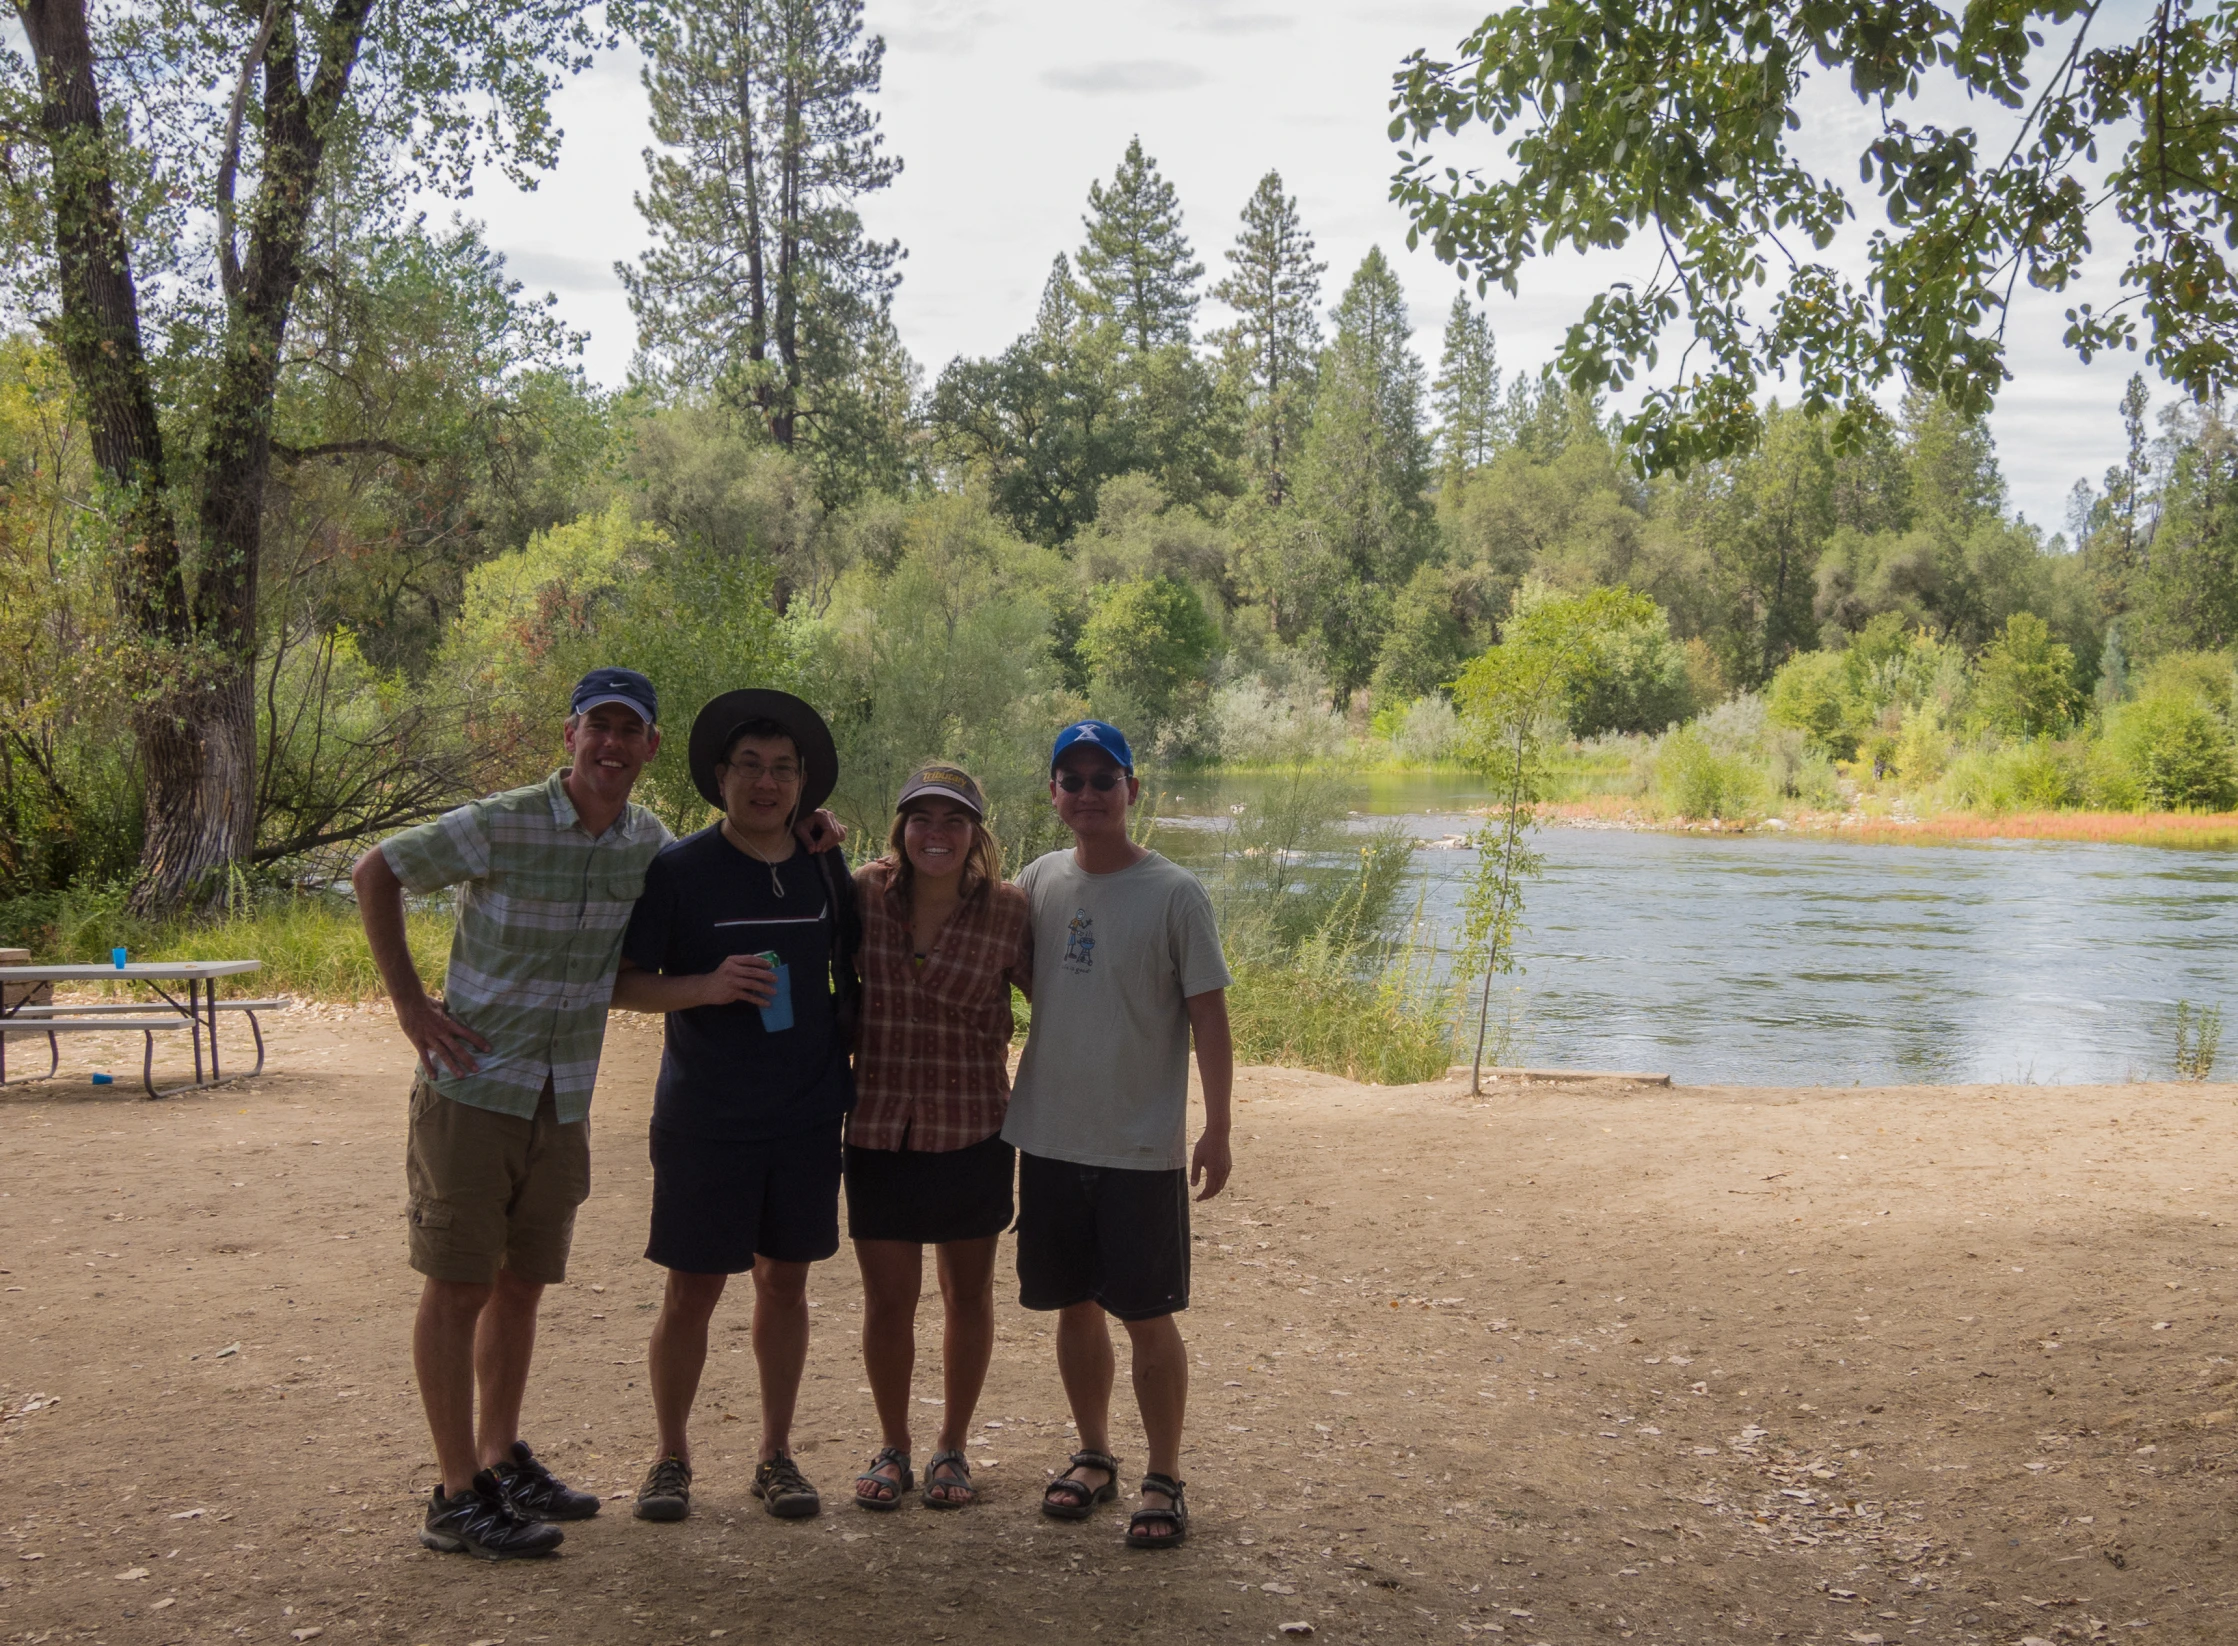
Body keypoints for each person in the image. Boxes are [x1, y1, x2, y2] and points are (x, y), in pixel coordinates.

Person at [612, 690, 861, 1525]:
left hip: (804, 1111)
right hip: (705, 1114)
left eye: (782, 770)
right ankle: (670, 1456)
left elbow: (856, 961)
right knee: (693, 1289)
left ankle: (774, 1454)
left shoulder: (824, 864)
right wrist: (707, 986)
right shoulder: (678, 870)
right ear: (721, 776)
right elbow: (626, 983)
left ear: (802, 785)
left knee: (786, 1284)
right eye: (749, 767)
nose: (766, 783)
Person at [1001, 719, 1234, 1549]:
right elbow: (977, 931)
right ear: (1055, 793)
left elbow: (1209, 1015)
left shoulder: (1176, 894)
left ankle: (1164, 1476)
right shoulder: (1037, 880)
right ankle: (1095, 1456)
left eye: (1107, 779)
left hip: (1140, 1145)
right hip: (1051, 1135)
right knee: (1074, 1305)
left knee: (1147, 1312)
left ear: (1134, 791)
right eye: (1074, 779)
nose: (1090, 793)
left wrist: (1218, 1127)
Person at [843, 764, 1031, 1512]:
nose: (937, 835)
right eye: (922, 820)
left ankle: (952, 1446)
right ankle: (893, 1445)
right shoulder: (862, 895)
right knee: (888, 1302)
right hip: (880, 1128)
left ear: (976, 834)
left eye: (954, 821)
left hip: (973, 1130)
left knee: (968, 1297)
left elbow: (1065, 998)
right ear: (901, 830)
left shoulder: (1011, 912)